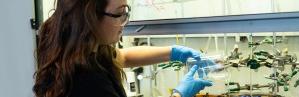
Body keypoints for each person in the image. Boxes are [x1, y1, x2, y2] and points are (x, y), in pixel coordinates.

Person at [33, 0, 213, 97]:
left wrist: (174, 52)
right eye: (119, 14)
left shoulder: (72, 47)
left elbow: (123, 57)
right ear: (90, 16)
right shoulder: (87, 82)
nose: (124, 22)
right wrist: (180, 94)